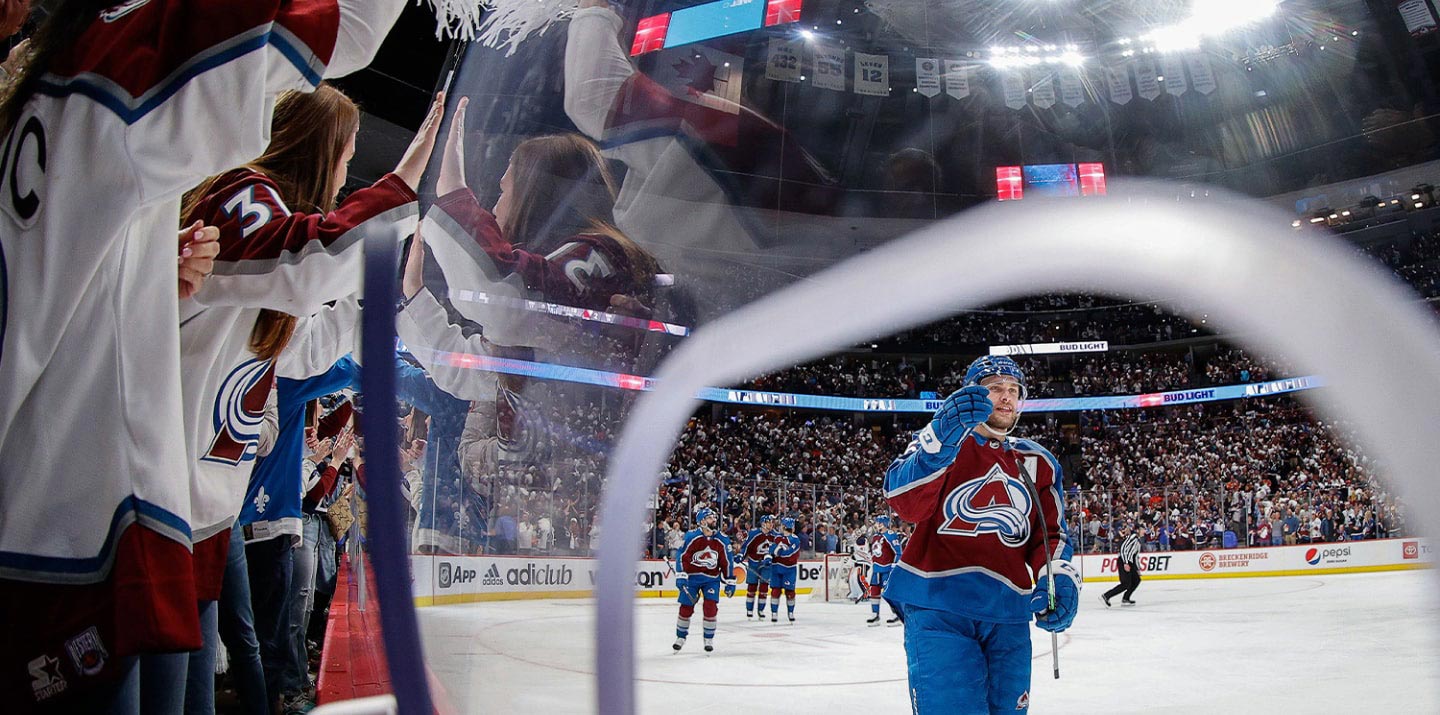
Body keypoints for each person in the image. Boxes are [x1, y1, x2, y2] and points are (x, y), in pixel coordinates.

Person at [0, 1, 404, 708]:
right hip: (87, 517)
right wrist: (414, 190)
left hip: (157, 513)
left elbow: (302, 342)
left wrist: (159, 272)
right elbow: (308, 258)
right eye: (346, 158)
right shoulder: (238, 189)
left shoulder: (53, 99)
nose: (346, 175)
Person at [883, 355, 1078, 714]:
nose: (1006, 397)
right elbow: (905, 502)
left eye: (1013, 390)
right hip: (938, 606)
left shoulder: (1039, 461)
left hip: (1009, 612)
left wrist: (1059, 577)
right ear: (971, 395)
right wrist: (941, 435)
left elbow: (1050, 536)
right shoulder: (940, 442)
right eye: (994, 390)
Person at [672, 507, 735, 653]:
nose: (714, 520)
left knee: (710, 607)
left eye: (714, 517)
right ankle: (680, 637)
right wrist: (681, 575)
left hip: (711, 579)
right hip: (692, 578)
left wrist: (730, 581)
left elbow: (727, 561)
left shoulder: (722, 539)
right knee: (686, 607)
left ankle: (708, 638)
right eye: (710, 518)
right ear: (702, 521)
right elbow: (682, 556)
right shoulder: (692, 536)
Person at [865, 515, 904, 626]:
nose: (876, 524)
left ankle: (896, 614)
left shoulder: (891, 535)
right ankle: (875, 614)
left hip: (887, 569)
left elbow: (898, 552)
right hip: (876, 569)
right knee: (875, 591)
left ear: (883, 523)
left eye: (878, 522)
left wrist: (894, 566)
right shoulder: (876, 536)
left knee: (889, 592)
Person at [738, 514, 778, 618]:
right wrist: (740, 555)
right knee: (752, 586)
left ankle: (761, 610)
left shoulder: (775, 535)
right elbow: (745, 547)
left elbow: (778, 549)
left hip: (767, 564)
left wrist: (771, 557)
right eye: (769, 522)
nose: (771, 524)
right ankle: (749, 609)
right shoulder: (754, 533)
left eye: (772, 522)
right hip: (754, 562)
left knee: (764, 587)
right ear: (764, 523)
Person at [766, 518, 801, 624]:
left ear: (785, 527)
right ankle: (774, 613)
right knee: (775, 591)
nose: (780, 527)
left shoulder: (795, 539)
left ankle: (790, 613)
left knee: (790, 592)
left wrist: (778, 552)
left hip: (789, 569)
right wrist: (768, 557)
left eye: (782, 525)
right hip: (776, 568)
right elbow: (771, 549)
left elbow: (790, 553)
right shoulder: (778, 538)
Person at [1103, 523, 1142, 607]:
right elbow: (1123, 549)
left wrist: (1137, 569)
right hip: (1124, 561)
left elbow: (1135, 556)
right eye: (1143, 529)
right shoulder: (1133, 537)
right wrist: (1125, 563)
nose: (1144, 531)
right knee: (1125, 584)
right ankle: (1106, 596)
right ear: (1138, 530)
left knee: (1136, 580)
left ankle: (1126, 598)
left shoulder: (1137, 540)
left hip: (1129, 562)